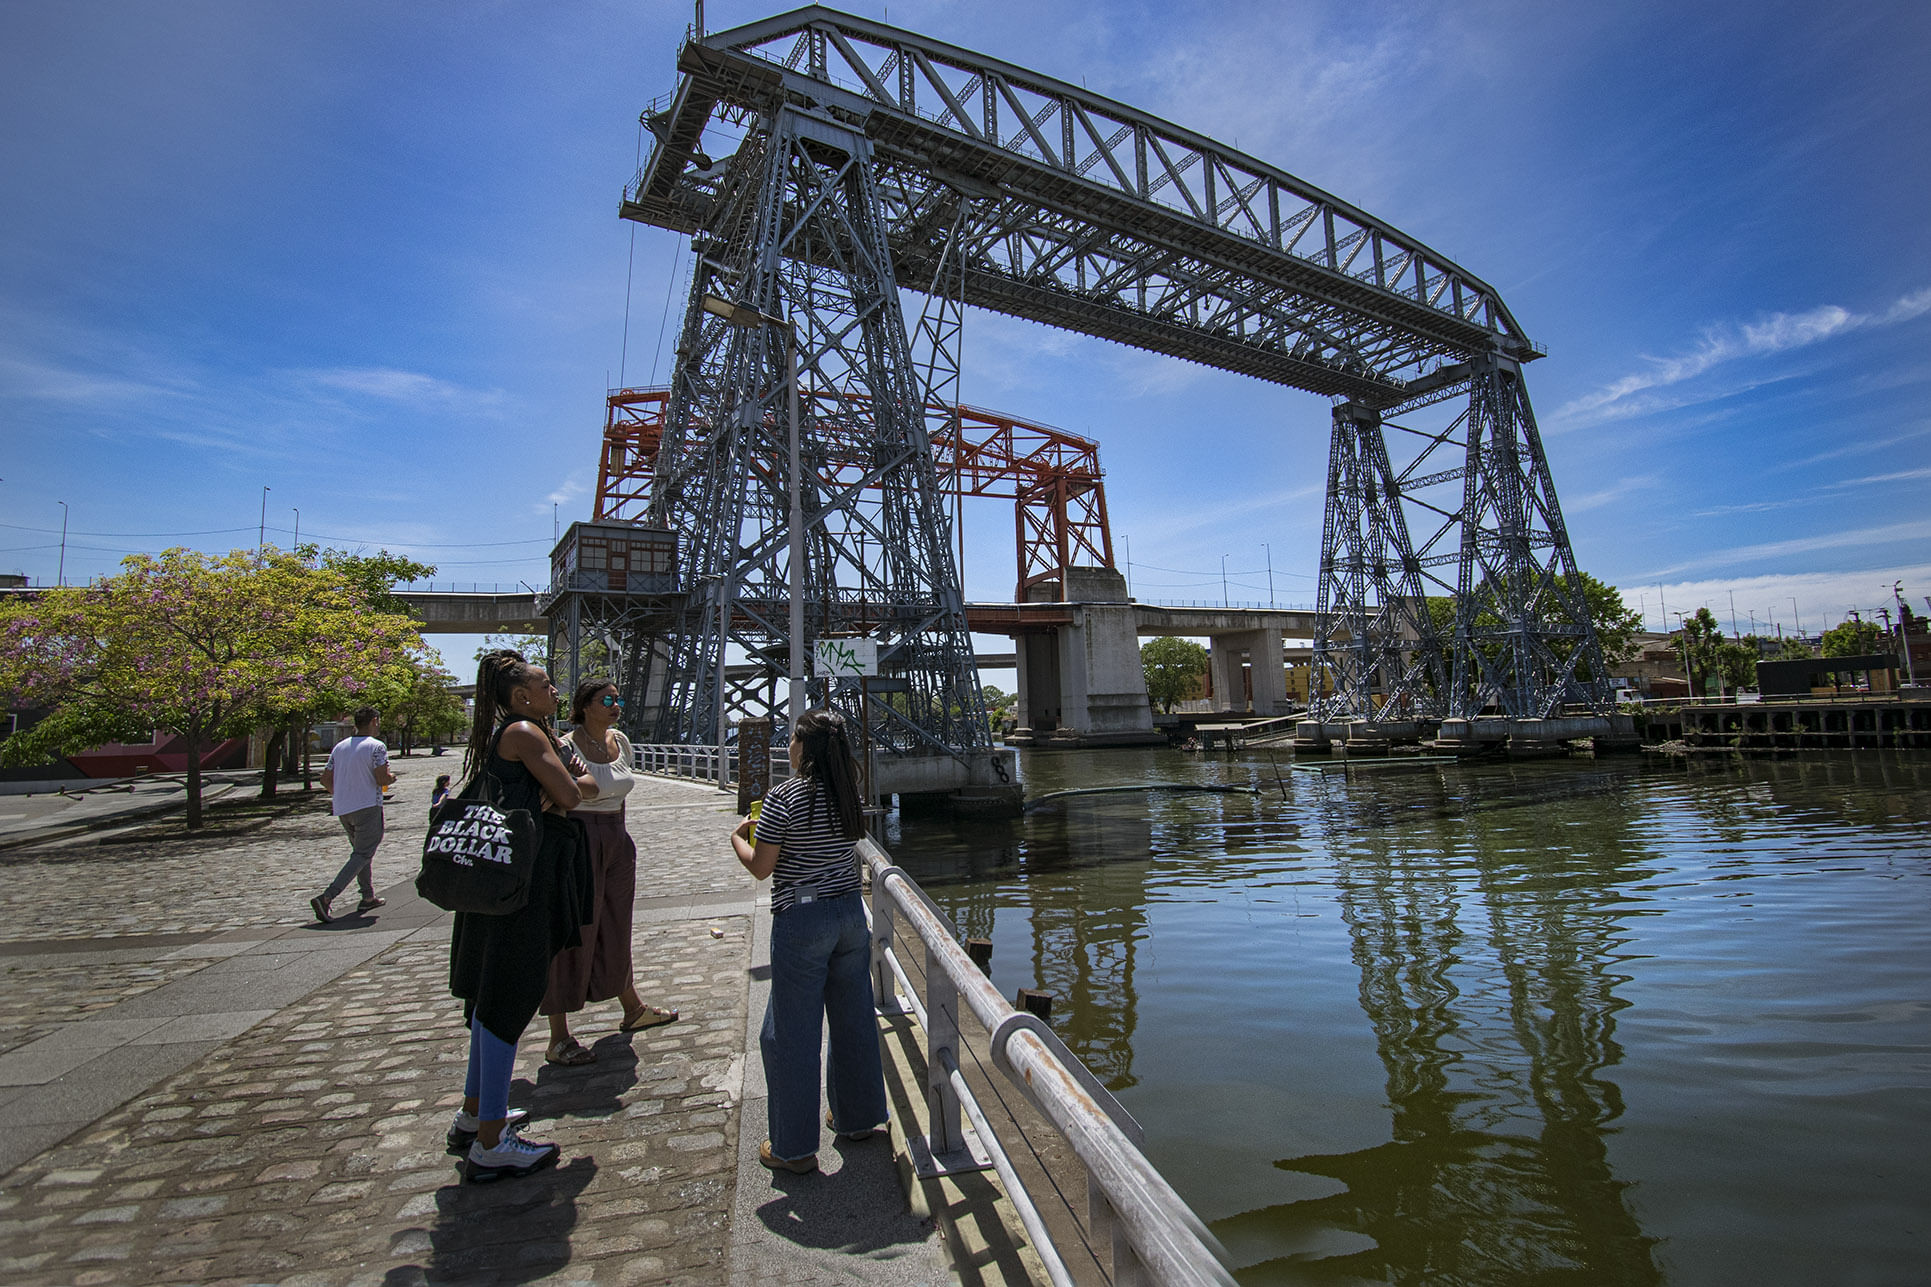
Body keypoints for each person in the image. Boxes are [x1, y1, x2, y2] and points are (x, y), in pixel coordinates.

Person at [445, 649, 599, 1183]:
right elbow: (574, 793)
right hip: (521, 889)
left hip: (498, 885)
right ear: (521, 697)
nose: (557, 692)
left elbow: (586, 787)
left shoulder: (524, 736)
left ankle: (475, 1114)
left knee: (488, 1001)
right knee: (507, 1001)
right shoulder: (527, 736)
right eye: (546, 685)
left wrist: (563, 787)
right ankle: (492, 1141)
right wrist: (561, 787)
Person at [730, 709, 888, 1175]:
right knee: (853, 1018)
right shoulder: (848, 793)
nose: (789, 745)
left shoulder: (783, 797)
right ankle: (857, 1119)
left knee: (790, 1034)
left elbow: (762, 867)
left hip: (803, 918)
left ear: (805, 746)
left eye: (794, 738)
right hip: (848, 916)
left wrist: (737, 839)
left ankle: (792, 1147)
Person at [540, 678, 679, 1065]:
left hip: (617, 836)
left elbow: (618, 789)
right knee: (574, 931)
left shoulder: (620, 741)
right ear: (585, 705)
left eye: (618, 698)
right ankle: (559, 1036)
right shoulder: (564, 747)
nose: (616, 704)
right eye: (607, 700)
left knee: (616, 923)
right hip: (578, 838)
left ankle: (632, 1007)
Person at [311, 706, 396, 923]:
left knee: (360, 854)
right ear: (374, 721)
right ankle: (328, 896)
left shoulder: (340, 747)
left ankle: (367, 896)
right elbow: (381, 778)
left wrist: (342, 793)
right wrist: (391, 777)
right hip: (367, 805)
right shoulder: (377, 747)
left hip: (343, 808)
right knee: (363, 854)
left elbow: (325, 779)